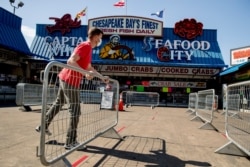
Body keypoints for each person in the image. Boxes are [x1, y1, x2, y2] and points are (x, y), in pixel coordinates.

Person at [35, 27, 109, 150]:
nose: (100, 41)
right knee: (75, 110)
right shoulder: (85, 46)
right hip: (70, 80)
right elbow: (71, 61)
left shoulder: (88, 49)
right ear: (95, 37)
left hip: (66, 78)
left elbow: (89, 67)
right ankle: (70, 142)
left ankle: (43, 126)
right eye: (100, 38)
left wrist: (101, 77)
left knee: (59, 103)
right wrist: (85, 73)